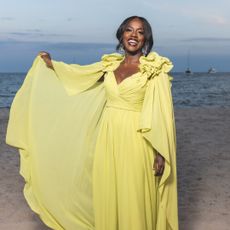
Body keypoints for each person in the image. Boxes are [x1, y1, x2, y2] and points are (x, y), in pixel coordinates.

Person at [6, 16, 178, 230]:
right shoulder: (109, 66)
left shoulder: (154, 69)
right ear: (121, 34)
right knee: (108, 193)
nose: (134, 35)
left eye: (140, 32)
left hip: (138, 140)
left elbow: (162, 112)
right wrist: (52, 66)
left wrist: (161, 153)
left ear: (146, 38)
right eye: (129, 30)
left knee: (133, 195)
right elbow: (78, 77)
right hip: (107, 138)